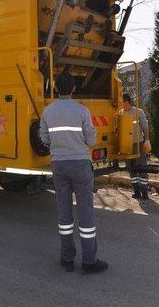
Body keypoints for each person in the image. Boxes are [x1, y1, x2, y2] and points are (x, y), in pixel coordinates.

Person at [39, 72, 109, 275]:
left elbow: (44, 139)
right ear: (73, 89)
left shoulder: (48, 112)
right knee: (85, 212)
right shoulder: (81, 111)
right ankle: (89, 262)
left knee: (64, 213)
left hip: (59, 165)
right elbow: (91, 140)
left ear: (55, 88)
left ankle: (67, 259)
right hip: (79, 164)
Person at [120, 93, 151, 199]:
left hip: (138, 144)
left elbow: (145, 127)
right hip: (127, 146)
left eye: (122, 102)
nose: (120, 104)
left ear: (127, 102)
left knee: (141, 168)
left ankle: (145, 192)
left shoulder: (138, 112)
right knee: (131, 169)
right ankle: (136, 191)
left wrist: (147, 140)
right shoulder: (120, 113)